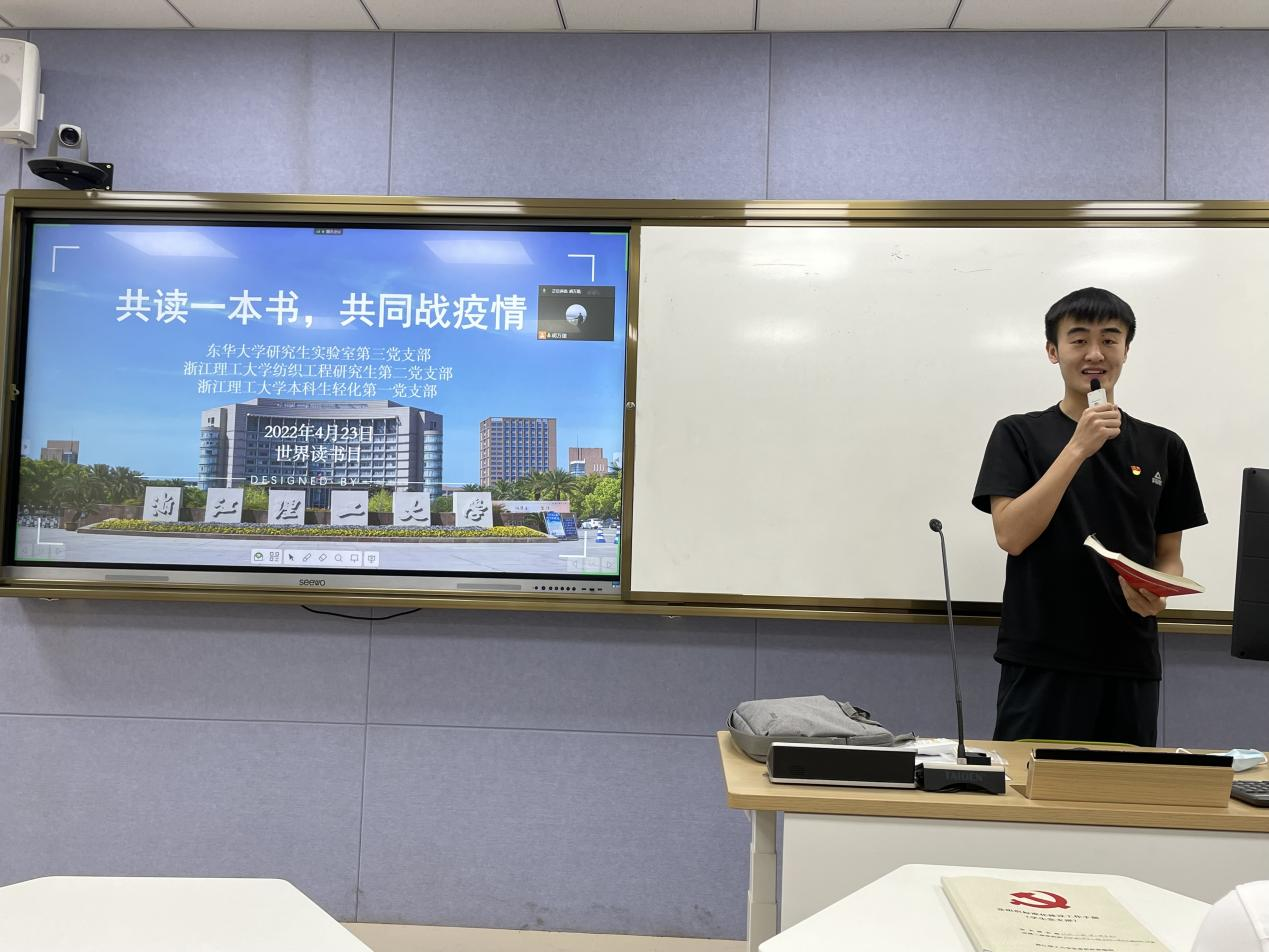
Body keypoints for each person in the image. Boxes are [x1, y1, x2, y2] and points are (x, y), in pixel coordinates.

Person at [972, 287, 1206, 745]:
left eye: (1109, 340)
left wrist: (1160, 591)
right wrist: (1078, 448)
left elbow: (1169, 553)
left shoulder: (1164, 446)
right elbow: (1011, 536)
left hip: (1129, 659)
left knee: (1124, 787)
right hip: (1041, 657)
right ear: (1053, 351)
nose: (1095, 353)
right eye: (1078, 340)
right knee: (1031, 785)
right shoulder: (1018, 434)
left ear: (1126, 350)